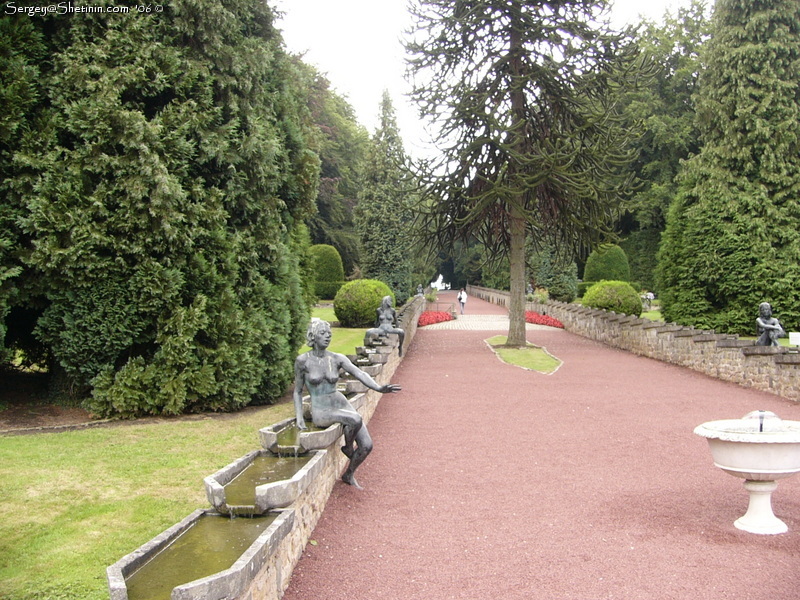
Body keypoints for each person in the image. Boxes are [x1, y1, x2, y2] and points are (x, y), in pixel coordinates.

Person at [294, 319, 400, 488]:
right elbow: (297, 391)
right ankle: (348, 448)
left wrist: (378, 388)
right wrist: (299, 417)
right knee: (355, 419)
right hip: (321, 409)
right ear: (313, 336)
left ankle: (349, 474)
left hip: (340, 402)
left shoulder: (336, 358)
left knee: (367, 445)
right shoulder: (303, 361)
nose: (327, 336)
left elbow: (359, 373)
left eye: (329, 333)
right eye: (322, 333)